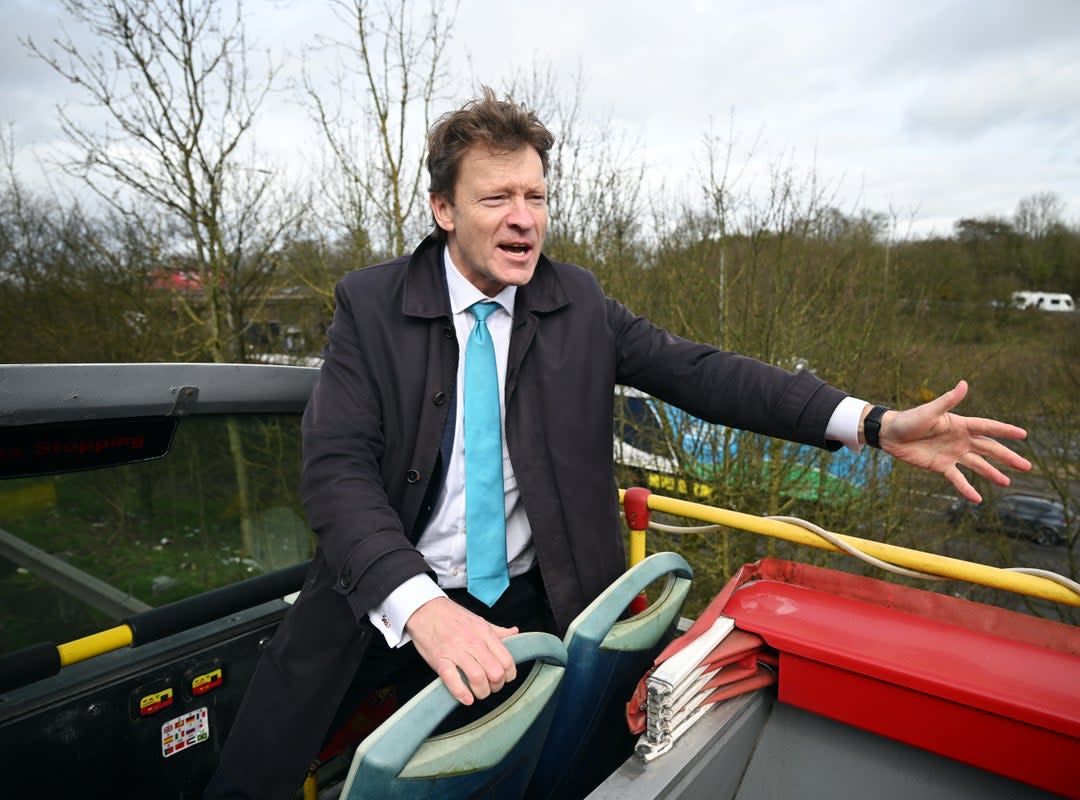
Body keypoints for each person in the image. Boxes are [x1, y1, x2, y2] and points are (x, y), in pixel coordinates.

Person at [205, 87, 1030, 799]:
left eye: (535, 196)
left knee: (557, 768)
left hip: (531, 601)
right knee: (260, 762)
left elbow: (703, 374)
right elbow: (338, 471)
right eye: (496, 199)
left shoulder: (577, 302)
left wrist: (874, 424)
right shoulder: (371, 307)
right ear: (444, 211)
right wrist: (425, 610)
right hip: (390, 597)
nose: (523, 219)